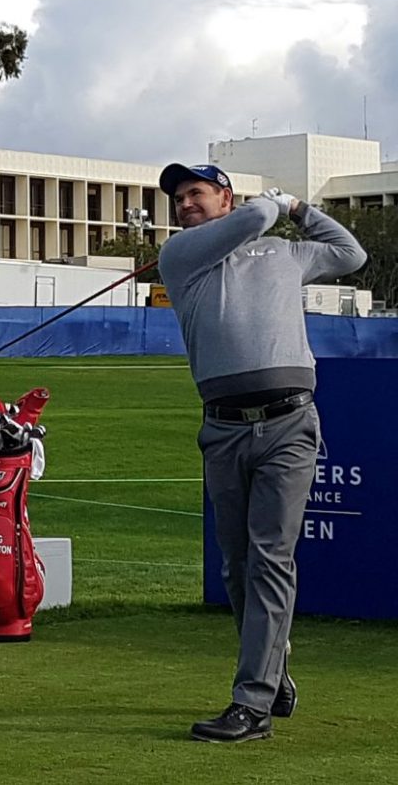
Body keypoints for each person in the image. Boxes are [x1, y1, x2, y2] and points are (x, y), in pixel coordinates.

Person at [158, 164, 366, 743]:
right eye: (177, 198)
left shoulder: (282, 253)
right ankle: (272, 669)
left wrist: (299, 209)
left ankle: (251, 702)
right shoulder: (183, 255)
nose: (184, 205)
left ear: (222, 195)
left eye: (195, 193)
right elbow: (252, 216)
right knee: (238, 567)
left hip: (289, 424)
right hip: (223, 429)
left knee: (272, 557)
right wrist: (273, 203)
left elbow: (349, 254)